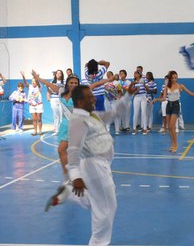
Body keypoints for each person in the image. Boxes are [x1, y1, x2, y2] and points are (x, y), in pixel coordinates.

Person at [45, 83, 135, 245]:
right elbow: (73, 150)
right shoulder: (78, 121)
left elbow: (114, 113)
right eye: (89, 97)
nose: (93, 98)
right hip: (95, 166)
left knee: (95, 199)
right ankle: (98, 243)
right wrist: (75, 176)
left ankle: (68, 192)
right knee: (106, 208)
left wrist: (127, 95)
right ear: (79, 102)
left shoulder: (91, 115)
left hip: (100, 165)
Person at [33, 71, 113, 181]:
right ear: (67, 83)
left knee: (84, 153)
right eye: (71, 82)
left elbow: (96, 84)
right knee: (61, 150)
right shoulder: (61, 91)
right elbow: (48, 84)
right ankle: (69, 176)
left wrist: (109, 80)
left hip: (78, 125)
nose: (73, 84)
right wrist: (38, 77)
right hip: (65, 125)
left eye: (76, 83)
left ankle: (93, 174)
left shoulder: (82, 93)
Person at [154, 70, 194, 152]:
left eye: (176, 77)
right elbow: (163, 98)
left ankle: (176, 144)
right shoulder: (166, 87)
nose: (174, 79)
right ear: (170, 78)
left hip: (176, 106)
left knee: (171, 126)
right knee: (170, 128)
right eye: (173, 78)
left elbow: (190, 93)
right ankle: (172, 144)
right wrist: (157, 99)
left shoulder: (180, 86)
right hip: (168, 106)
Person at [21, 71, 43, 135]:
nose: (33, 82)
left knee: (39, 119)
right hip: (32, 105)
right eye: (32, 81)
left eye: (34, 81)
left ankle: (40, 131)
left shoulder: (39, 87)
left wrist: (36, 77)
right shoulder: (30, 86)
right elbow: (25, 82)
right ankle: (35, 131)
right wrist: (23, 76)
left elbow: (38, 83)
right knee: (34, 119)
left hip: (39, 105)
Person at [104, 71, 122, 135]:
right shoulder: (105, 83)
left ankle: (117, 130)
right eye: (107, 74)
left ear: (112, 75)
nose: (108, 75)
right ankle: (107, 129)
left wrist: (118, 97)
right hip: (107, 100)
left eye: (110, 74)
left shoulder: (117, 83)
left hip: (114, 100)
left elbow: (120, 92)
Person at [131, 70, 148, 135]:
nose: (134, 74)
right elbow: (132, 91)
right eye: (134, 73)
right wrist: (135, 91)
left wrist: (144, 84)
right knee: (136, 113)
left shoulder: (144, 80)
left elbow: (147, 89)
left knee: (143, 112)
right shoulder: (134, 82)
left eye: (135, 73)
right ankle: (134, 128)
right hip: (136, 97)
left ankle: (145, 128)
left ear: (139, 74)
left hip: (143, 97)